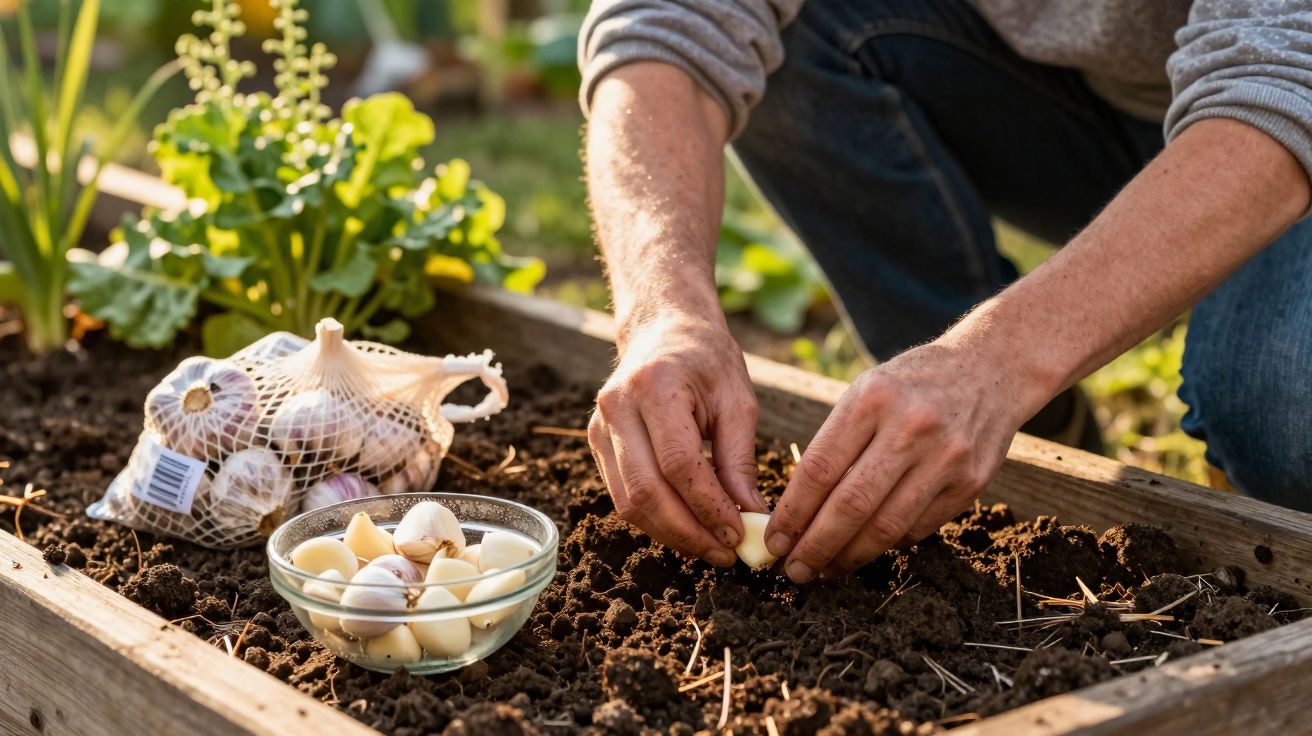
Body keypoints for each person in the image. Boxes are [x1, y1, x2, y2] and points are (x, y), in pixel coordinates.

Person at [576, 0, 1312, 584]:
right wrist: (661, 311)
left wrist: (996, 361)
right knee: (805, 30)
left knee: (1276, 403)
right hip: (1092, 104)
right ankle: (1037, 458)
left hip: (1279, 109)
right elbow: (665, 23)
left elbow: (1285, 74)